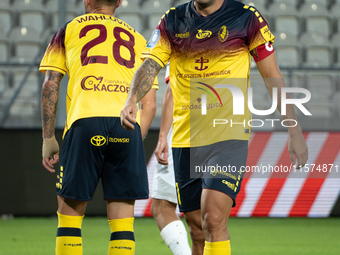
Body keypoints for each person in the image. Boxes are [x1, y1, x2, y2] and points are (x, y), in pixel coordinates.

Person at [121, 0, 308, 254]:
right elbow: (150, 66)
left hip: (228, 134)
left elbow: (271, 75)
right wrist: (132, 98)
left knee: (213, 218)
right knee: (197, 229)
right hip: (186, 140)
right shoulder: (172, 20)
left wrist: (294, 129)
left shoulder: (246, 18)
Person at [40, 0, 157, 254]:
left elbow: (50, 83)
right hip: (126, 127)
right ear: (118, 3)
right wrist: (134, 138)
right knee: (123, 221)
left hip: (86, 121)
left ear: (87, 1)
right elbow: (149, 106)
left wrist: (48, 138)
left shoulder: (67, 30)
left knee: (70, 214)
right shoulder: (137, 39)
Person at [152, 64, 191, 255]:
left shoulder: (179, 36)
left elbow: (174, 88)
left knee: (162, 206)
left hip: (185, 130)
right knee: (207, 215)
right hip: (223, 130)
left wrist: (163, 137)